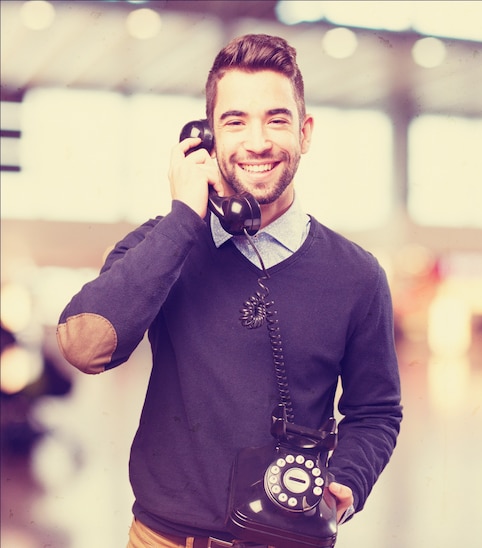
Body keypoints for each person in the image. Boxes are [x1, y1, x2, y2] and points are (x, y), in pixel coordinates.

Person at [57, 34, 402, 548]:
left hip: (291, 539)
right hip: (164, 539)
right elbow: (84, 347)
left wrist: (347, 480)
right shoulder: (162, 245)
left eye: (277, 119)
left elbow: (375, 410)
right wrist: (183, 220)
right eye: (235, 121)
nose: (258, 141)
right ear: (206, 139)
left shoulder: (358, 275)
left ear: (305, 133)